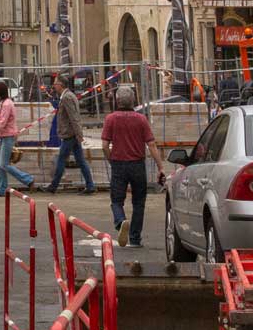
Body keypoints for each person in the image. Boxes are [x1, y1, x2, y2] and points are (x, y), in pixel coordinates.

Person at [101, 86, 165, 249]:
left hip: (119, 164)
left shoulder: (111, 119)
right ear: (133, 101)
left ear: (117, 101)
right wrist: (161, 167)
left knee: (116, 200)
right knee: (139, 202)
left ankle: (121, 221)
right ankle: (135, 238)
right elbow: (151, 144)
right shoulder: (141, 119)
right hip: (137, 165)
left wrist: (111, 161)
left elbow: (104, 145)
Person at [46, 77, 96, 195]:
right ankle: (90, 185)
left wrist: (79, 134)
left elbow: (73, 117)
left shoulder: (67, 97)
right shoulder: (68, 96)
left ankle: (53, 186)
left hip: (69, 134)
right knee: (80, 160)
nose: (54, 86)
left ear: (61, 85)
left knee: (61, 160)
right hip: (72, 134)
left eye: (55, 84)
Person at [0, 80, 36, 198]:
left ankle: (28, 179)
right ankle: (2, 189)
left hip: (8, 136)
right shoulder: (5, 102)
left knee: (3, 164)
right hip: (4, 136)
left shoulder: (7, 104)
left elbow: (2, 123)